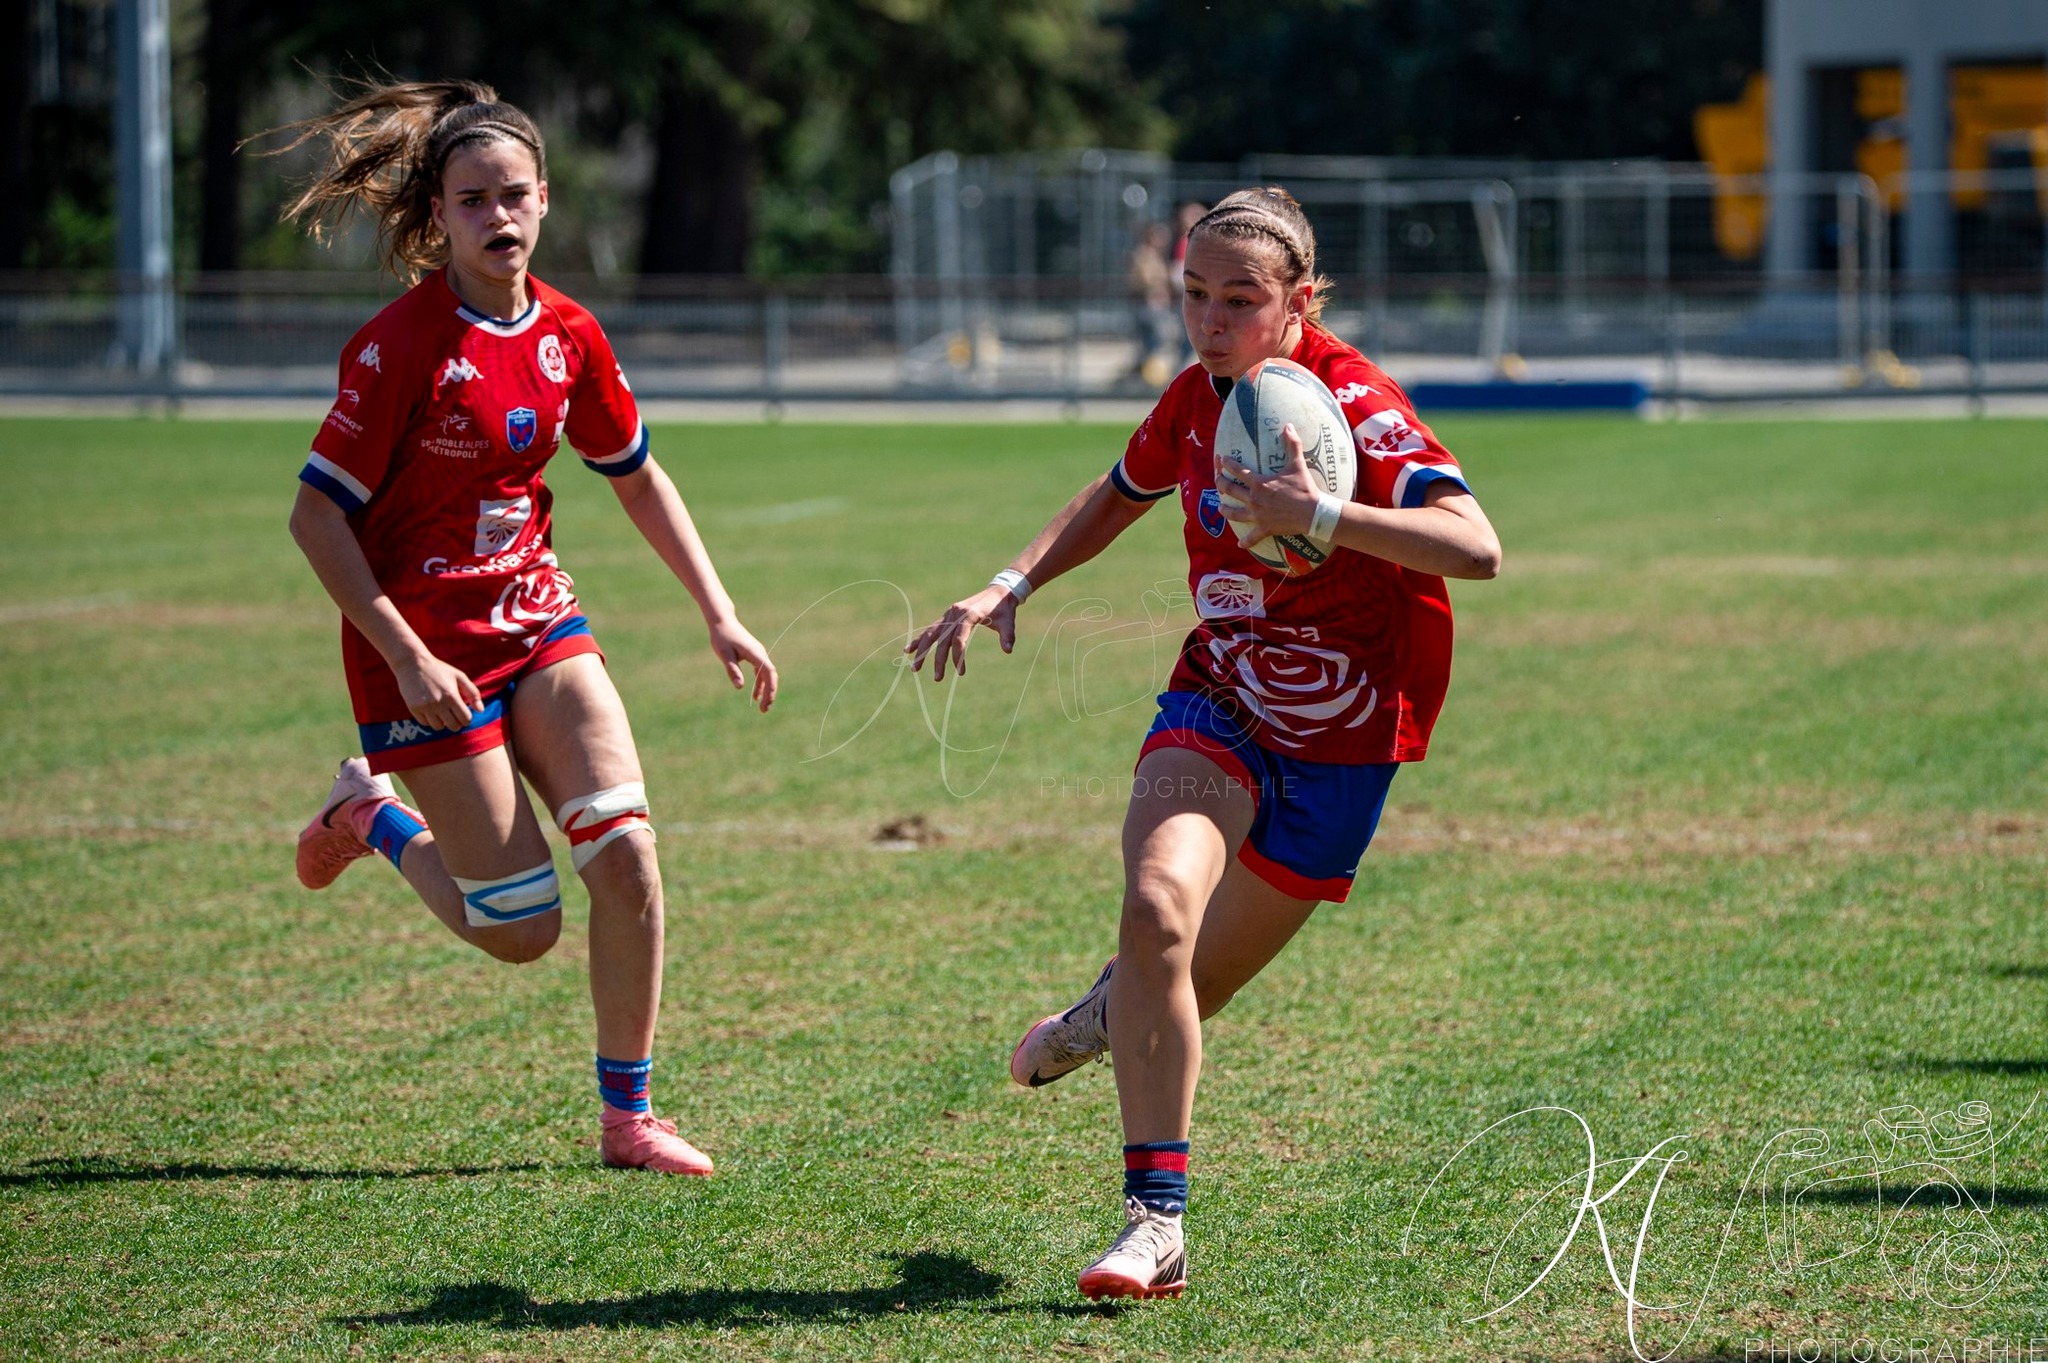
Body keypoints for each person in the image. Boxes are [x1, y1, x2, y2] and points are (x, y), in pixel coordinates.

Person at [906, 187, 1500, 1300]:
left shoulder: (1358, 405)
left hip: (1345, 741)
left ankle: (1099, 1010)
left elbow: (1473, 547)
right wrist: (1007, 582)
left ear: (1299, 301)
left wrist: (1315, 515)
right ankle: (1155, 1224)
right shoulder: (1191, 398)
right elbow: (1119, 491)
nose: (1209, 320)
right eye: (1191, 294)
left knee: (1188, 982)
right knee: (1155, 911)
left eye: (1240, 298)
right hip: (1217, 703)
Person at [274, 80, 778, 1176]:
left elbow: (637, 478)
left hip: (536, 620)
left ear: (544, 201)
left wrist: (719, 612)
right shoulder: (400, 345)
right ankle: (371, 814)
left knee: (630, 857)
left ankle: (627, 1120)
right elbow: (317, 513)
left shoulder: (568, 334)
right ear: (441, 217)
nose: (496, 217)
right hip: (420, 653)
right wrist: (405, 656)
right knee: (519, 930)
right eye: (471, 201)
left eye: (513, 196)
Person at [1125, 221, 1174, 388]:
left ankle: (1144, 377)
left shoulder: (1157, 255)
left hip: (1155, 306)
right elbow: (1145, 280)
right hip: (1147, 306)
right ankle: (1143, 378)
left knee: (1153, 344)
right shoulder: (1143, 255)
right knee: (1151, 344)